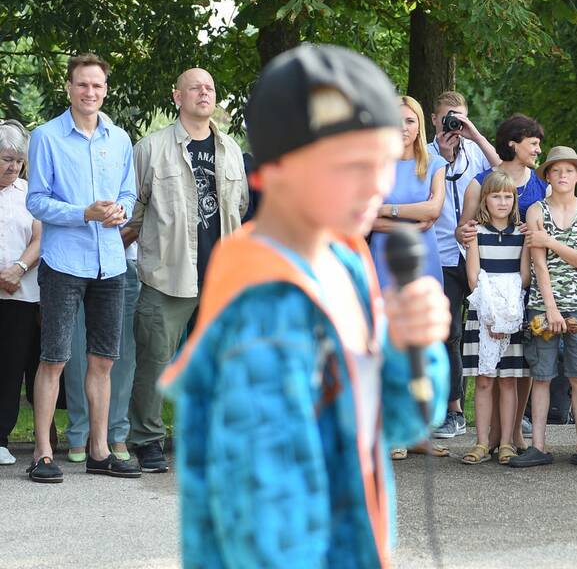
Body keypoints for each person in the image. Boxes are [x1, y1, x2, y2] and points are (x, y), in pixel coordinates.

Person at [159, 44, 450, 568]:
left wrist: (416, 347)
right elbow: (265, 514)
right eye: (350, 165)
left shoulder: (347, 260)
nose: (376, 186)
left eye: (383, 161)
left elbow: (405, 420)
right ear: (280, 167)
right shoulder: (263, 300)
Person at [123, 67, 248, 473]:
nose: (204, 92)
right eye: (195, 87)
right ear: (177, 97)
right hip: (167, 275)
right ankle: (147, 439)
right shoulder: (150, 148)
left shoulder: (230, 149)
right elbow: (134, 210)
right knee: (155, 362)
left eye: (210, 87)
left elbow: (240, 208)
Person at [25, 53, 140, 482]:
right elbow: (36, 200)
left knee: (103, 361)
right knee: (54, 358)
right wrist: (85, 213)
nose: (90, 92)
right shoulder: (47, 136)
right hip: (63, 261)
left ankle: (99, 450)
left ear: (105, 89)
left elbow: (129, 193)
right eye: (82, 85)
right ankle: (42, 454)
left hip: (110, 264)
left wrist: (120, 211)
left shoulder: (120, 138)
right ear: (69, 88)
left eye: (97, 85)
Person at [509, 146, 577, 469]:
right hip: (542, 304)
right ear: (548, 176)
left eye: (569, 171)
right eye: (556, 171)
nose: (562, 176)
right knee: (542, 374)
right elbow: (539, 265)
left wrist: (549, 242)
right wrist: (550, 308)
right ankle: (538, 445)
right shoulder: (535, 211)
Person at [457, 113, 546, 447]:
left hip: (528, 279)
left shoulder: (540, 183)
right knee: (489, 369)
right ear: (514, 143)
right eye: (534, 143)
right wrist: (463, 232)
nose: (539, 150)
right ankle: (491, 436)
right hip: (492, 282)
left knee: (519, 365)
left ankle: (512, 436)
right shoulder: (483, 182)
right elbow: (465, 230)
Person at [426, 91, 500, 440]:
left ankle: (504, 409)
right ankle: (453, 409)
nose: (453, 124)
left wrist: (474, 134)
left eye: (459, 117)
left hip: (477, 252)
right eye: (448, 118)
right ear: (434, 119)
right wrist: (442, 154)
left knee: (494, 323)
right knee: (448, 332)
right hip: (441, 254)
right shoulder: (424, 155)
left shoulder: (475, 152)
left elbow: (502, 171)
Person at [461, 171, 530, 465]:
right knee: (485, 380)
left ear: (514, 200)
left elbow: (525, 278)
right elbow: (474, 279)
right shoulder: (476, 234)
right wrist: (491, 317)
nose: (502, 202)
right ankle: (481, 442)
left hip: (512, 313)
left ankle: (505, 443)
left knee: (508, 381)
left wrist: (506, 316)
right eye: (495, 196)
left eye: (507, 196)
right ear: (485, 200)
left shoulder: (521, 235)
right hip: (483, 314)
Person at [62, 237, 140, 463]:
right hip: (75, 264)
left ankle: (117, 432)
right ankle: (79, 433)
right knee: (76, 355)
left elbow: (135, 221)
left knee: (121, 356)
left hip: (122, 263)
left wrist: (108, 245)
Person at [368, 95, 446, 290]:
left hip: (423, 254)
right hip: (383, 254)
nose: (403, 127)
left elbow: (433, 210)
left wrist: (385, 209)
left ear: (419, 126)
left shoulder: (435, 164)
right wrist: (412, 228)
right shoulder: (375, 165)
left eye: (410, 121)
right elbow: (367, 219)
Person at [0, 120, 42, 467]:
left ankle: (1, 438)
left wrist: (18, 269)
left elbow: (41, 238)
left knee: (10, 367)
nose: (13, 166)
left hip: (21, 294)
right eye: (6, 158)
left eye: (18, 160)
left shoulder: (30, 192)